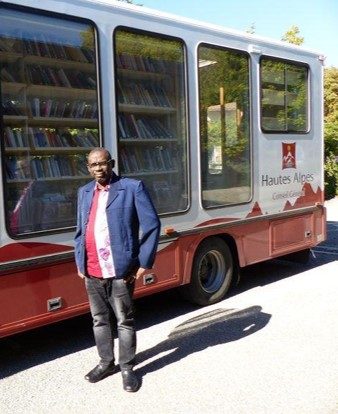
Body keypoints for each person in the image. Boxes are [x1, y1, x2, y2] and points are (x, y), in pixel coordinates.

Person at [74, 147, 160, 392]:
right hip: (91, 269)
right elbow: (80, 230)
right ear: (88, 167)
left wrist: (144, 262)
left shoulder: (132, 188)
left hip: (121, 269)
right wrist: (79, 262)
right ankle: (105, 362)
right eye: (93, 165)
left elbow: (151, 224)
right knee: (99, 320)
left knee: (124, 321)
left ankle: (127, 367)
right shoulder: (84, 192)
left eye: (103, 163)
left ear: (111, 163)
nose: (98, 168)